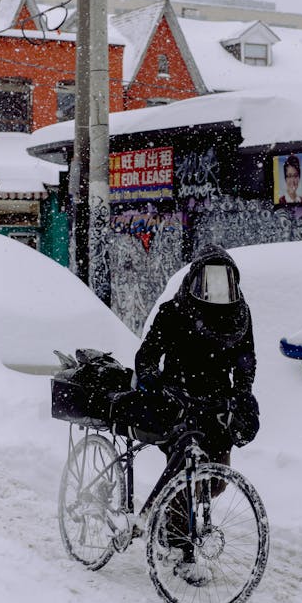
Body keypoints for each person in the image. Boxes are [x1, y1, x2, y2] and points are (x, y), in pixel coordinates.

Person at [112, 244, 259, 584]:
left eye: (224, 282)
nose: (217, 291)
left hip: (217, 406)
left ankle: (173, 520)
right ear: (195, 280)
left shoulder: (240, 315)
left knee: (217, 478)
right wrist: (150, 381)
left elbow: (245, 359)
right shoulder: (174, 311)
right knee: (183, 475)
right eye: (209, 281)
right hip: (179, 402)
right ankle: (179, 546)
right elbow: (148, 354)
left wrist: (243, 392)